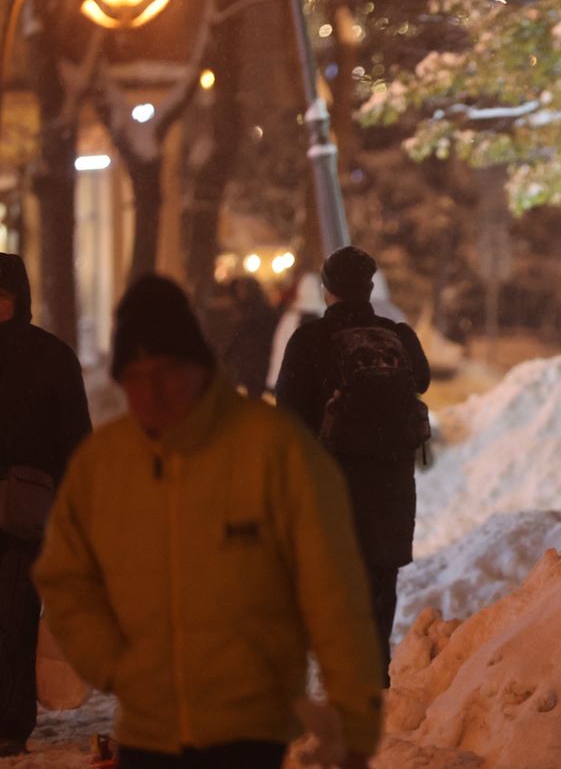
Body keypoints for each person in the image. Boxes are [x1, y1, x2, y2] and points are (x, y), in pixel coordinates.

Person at [33, 275, 382, 768]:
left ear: (195, 364)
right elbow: (66, 576)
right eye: (136, 378)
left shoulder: (272, 450)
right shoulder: (107, 463)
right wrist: (109, 662)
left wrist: (355, 715)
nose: (151, 394)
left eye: (166, 374)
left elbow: (332, 588)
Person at [276, 247, 430, 684]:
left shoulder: (309, 340)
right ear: (369, 287)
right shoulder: (396, 334)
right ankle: (375, 670)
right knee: (381, 577)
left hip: (334, 480)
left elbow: (287, 409)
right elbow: (421, 379)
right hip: (392, 482)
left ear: (327, 290)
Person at [0, 254, 91, 758]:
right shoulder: (52, 355)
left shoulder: (50, 356)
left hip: (25, 508)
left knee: (13, 617)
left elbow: (75, 437)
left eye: (2, 295)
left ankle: (10, 721)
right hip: (25, 499)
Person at [220, 276, 279, 399]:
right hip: (263, 360)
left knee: (251, 393)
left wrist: (225, 354)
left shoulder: (245, 312)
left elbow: (236, 337)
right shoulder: (268, 311)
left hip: (249, 361)